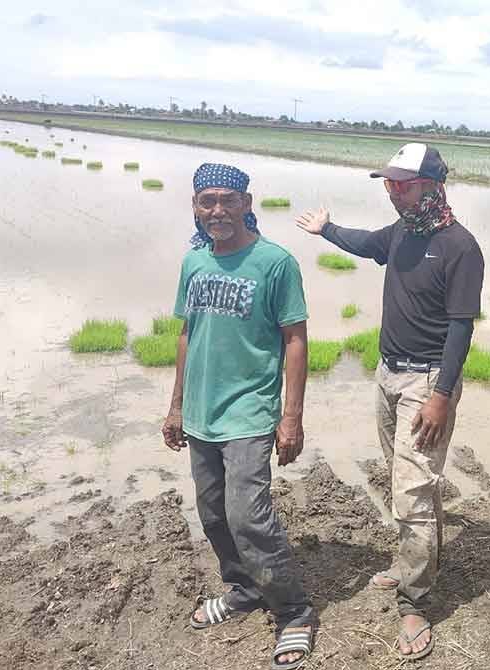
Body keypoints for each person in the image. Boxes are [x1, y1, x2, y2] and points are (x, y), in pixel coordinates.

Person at [295, 143, 484, 660]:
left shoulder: (459, 246)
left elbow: (462, 328)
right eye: (389, 183)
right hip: (387, 373)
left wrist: (442, 395)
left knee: (414, 490)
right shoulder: (403, 233)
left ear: (431, 185)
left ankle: (417, 603)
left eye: (402, 183)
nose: (393, 191)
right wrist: (327, 230)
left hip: (427, 384)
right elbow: (366, 243)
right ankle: (411, 562)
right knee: (407, 479)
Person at [162, 163, 313, 670]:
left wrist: (290, 417)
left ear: (248, 203)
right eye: (208, 201)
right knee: (212, 513)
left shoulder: (275, 263)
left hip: (250, 411)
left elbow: (295, 340)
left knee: (249, 515)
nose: (218, 211)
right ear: (195, 207)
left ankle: (293, 611)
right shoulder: (194, 263)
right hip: (201, 413)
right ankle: (244, 588)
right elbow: (186, 335)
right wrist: (177, 404)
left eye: (229, 200)